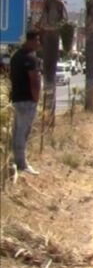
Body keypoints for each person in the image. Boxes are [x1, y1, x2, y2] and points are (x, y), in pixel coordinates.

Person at [9, 30, 43, 176]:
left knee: (17, 131)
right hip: (27, 100)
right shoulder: (30, 58)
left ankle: (16, 160)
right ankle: (21, 164)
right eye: (37, 40)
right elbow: (34, 80)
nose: (39, 43)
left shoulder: (15, 56)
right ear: (30, 41)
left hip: (16, 99)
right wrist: (36, 98)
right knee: (23, 132)